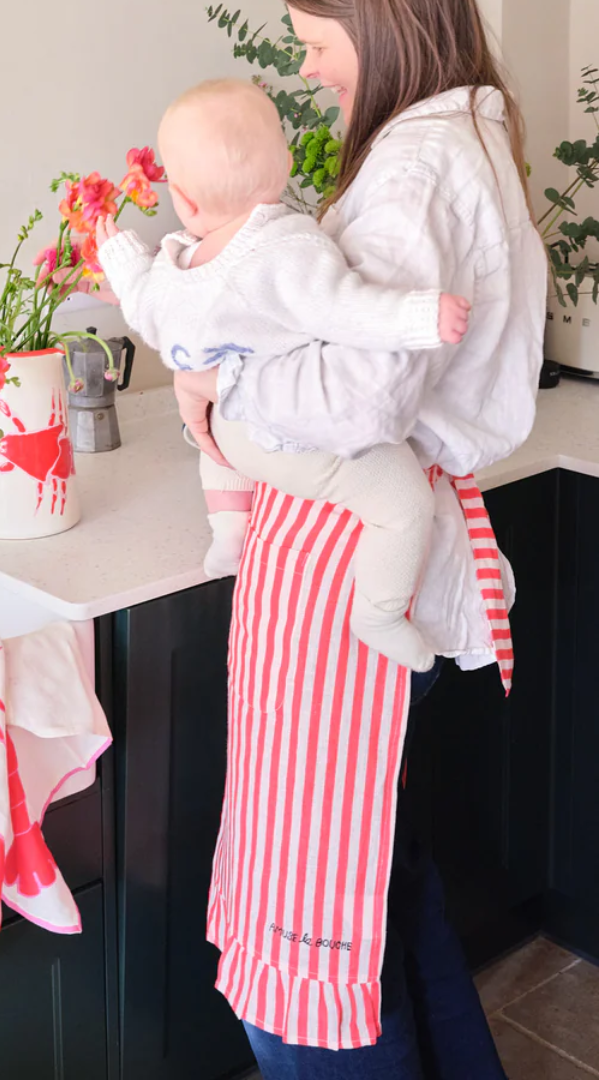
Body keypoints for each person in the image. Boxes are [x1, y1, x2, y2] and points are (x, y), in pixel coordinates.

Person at [166, 1, 547, 1076]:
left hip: (343, 577)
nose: (308, 62)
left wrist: (219, 388)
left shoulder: (418, 164)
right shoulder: (457, 136)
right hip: (365, 558)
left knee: (308, 945)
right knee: (378, 886)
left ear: (381, 19)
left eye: (315, 33)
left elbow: (356, 398)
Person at [96, 77, 473, 672]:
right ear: (286, 162)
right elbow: (347, 308)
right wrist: (422, 314)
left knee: (208, 430)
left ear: (186, 201)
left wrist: (119, 258)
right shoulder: (284, 249)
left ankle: (228, 534)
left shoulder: (174, 264)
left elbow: (142, 307)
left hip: (223, 435)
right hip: (285, 437)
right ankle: (378, 611)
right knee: (402, 501)